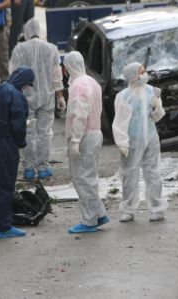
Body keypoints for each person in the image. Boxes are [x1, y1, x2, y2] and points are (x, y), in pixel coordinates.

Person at [0, 66, 35, 239]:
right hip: (5, 143)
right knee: (5, 185)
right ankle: (3, 227)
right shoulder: (16, 95)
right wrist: (21, 142)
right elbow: (18, 123)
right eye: (28, 85)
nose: (27, 88)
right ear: (24, 82)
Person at [9, 18, 65, 181]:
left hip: (25, 97)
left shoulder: (19, 49)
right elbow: (56, 75)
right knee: (45, 133)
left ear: (26, 32)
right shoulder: (52, 49)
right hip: (46, 96)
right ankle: (43, 167)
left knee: (28, 132)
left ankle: (28, 168)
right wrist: (60, 95)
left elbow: (13, 74)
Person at [112, 62, 168, 222]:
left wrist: (156, 106)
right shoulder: (123, 96)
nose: (144, 75)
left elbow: (157, 116)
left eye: (144, 71)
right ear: (132, 75)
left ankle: (157, 208)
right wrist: (122, 142)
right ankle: (128, 209)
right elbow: (120, 121)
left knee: (153, 172)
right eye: (141, 72)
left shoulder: (152, 91)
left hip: (150, 136)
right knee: (129, 173)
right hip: (132, 139)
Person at [64, 51, 109, 234]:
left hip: (84, 136)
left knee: (82, 178)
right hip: (94, 133)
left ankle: (89, 220)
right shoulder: (91, 81)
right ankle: (98, 213)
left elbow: (80, 114)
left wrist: (75, 139)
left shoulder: (79, 85)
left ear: (68, 67)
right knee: (89, 177)